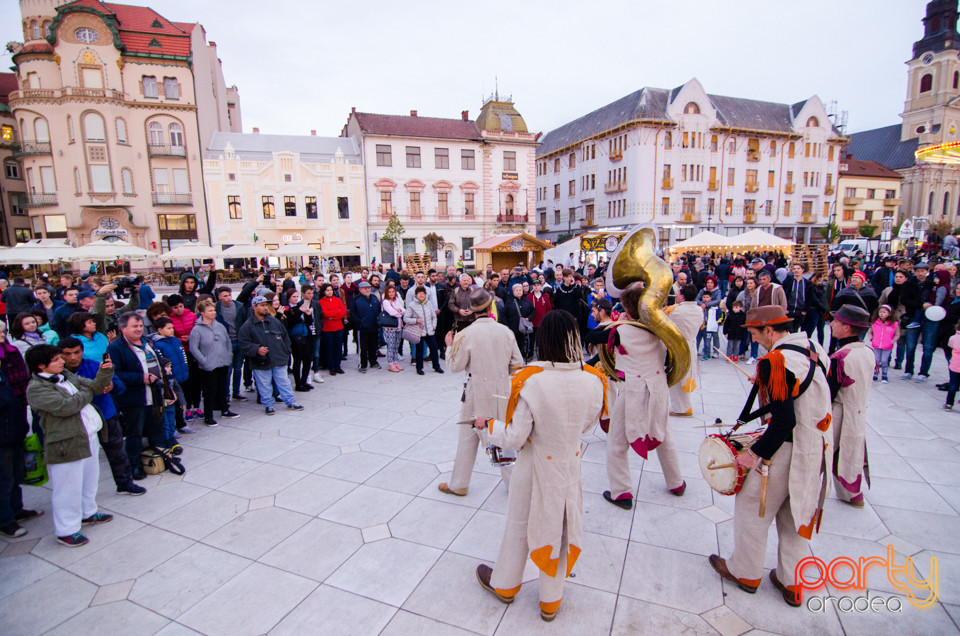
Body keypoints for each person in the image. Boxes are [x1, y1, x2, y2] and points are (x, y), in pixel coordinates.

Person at [473, 310, 606, 622]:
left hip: (534, 465)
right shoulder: (594, 381)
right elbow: (587, 425)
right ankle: (551, 600)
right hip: (569, 464)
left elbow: (513, 437)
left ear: (543, 339)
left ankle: (505, 585)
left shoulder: (531, 382)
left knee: (519, 524)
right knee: (562, 527)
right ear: (574, 338)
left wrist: (486, 425)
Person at [708, 305, 831, 607]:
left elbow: (784, 421)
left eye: (754, 332)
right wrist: (768, 384)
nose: (754, 338)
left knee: (753, 508)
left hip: (785, 448)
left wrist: (754, 454)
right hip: (813, 447)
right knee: (795, 514)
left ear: (769, 330)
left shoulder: (775, 361)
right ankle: (792, 582)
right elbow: (804, 392)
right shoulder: (812, 348)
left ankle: (745, 572)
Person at [605, 286, 686, 510]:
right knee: (663, 433)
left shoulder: (619, 330)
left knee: (617, 442)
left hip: (632, 390)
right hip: (658, 388)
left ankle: (621, 492)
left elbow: (593, 336)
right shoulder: (663, 329)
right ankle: (676, 482)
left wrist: (621, 321)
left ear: (628, 310)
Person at [25, 344, 114, 547]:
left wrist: (105, 371)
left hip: (87, 436)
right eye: (56, 359)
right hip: (66, 442)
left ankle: (88, 512)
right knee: (68, 487)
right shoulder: (37, 388)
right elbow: (68, 407)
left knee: (89, 480)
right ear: (41, 365)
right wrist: (85, 394)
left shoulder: (65, 375)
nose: (62, 362)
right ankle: (66, 530)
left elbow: (94, 386)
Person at [440, 289, 522, 495]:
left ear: (472, 310)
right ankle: (513, 486)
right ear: (490, 306)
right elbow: (518, 364)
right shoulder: (506, 331)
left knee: (468, 438)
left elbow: (455, 366)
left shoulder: (466, 334)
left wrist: (449, 346)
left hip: (475, 392)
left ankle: (459, 484)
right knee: (499, 438)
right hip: (501, 391)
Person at [59, 338, 146, 496]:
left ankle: (125, 483)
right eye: (67, 354)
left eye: (76, 352)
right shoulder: (57, 374)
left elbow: (119, 387)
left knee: (117, 452)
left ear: (82, 351)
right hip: (75, 421)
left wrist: (112, 386)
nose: (72, 357)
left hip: (105, 415)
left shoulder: (94, 366)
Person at [106, 312, 167, 479]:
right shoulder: (116, 348)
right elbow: (115, 373)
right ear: (123, 328)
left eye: (140, 326)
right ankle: (134, 466)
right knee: (134, 434)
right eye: (135, 326)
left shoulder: (147, 342)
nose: (139, 329)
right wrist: (140, 378)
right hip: (134, 399)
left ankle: (160, 457)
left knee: (156, 429)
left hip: (154, 395)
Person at [827, 306, 874, 508]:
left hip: (841, 411)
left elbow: (828, 393)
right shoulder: (867, 351)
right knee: (851, 451)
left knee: (823, 452)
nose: (831, 324)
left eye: (835, 321)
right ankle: (853, 495)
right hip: (858, 410)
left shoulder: (841, 357)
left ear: (846, 327)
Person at [238, 294, 304, 415]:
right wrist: (256, 349)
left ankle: (290, 401)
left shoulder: (274, 321)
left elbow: (285, 336)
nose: (265, 308)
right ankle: (268, 404)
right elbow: (243, 343)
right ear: (254, 307)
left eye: (266, 305)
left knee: (284, 382)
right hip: (261, 361)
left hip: (279, 358)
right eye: (262, 305)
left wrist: (286, 351)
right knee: (264, 384)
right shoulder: (248, 325)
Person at [189, 299, 238, 426]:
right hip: (208, 365)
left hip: (222, 362)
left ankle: (224, 409)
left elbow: (227, 341)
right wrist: (203, 361)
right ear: (202, 313)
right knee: (209, 391)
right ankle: (208, 415)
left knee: (222, 387)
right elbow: (193, 348)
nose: (213, 313)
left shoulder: (220, 326)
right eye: (210, 310)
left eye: (214, 310)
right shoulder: (197, 329)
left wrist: (228, 355)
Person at [216, 279, 258, 401]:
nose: (228, 298)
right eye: (225, 296)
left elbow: (245, 323)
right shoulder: (216, 308)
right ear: (219, 297)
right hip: (226, 343)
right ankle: (226, 394)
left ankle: (236, 392)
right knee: (228, 370)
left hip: (239, 341)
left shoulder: (238, 306)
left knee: (238, 368)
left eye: (229, 295)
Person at [667, 285, 703, 418]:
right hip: (691, 344)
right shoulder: (699, 310)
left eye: (678, 294)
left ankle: (682, 408)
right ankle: (684, 406)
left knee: (677, 376)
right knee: (685, 374)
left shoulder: (675, 311)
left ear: (682, 296)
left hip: (678, 345)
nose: (676, 296)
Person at [168, 294, 202, 421]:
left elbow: (198, 330)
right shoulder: (169, 319)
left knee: (196, 380)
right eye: (175, 308)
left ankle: (197, 406)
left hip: (194, 351)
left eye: (181, 306)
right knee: (185, 381)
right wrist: (180, 339)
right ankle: (188, 406)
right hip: (181, 353)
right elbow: (169, 335)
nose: (179, 310)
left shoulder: (191, 315)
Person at [405, 286, 443, 376]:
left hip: (429, 331)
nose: (421, 295)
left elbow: (434, 317)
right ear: (416, 295)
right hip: (419, 332)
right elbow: (406, 318)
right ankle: (419, 368)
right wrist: (415, 320)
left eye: (423, 294)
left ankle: (436, 366)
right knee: (419, 350)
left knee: (434, 349)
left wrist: (433, 326)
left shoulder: (428, 303)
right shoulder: (412, 305)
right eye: (419, 294)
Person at [351, 281, 382, 373]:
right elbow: (353, 313)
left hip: (374, 326)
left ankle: (373, 362)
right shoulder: (356, 299)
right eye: (365, 288)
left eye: (368, 288)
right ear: (360, 290)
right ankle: (362, 364)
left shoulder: (374, 298)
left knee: (374, 346)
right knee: (363, 347)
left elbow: (379, 310)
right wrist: (359, 323)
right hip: (363, 327)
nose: (368, 290)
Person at [318, 283, 347, 376]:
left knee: (338, 347)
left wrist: (333, 316)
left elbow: (343, 311)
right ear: (323, 292)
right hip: (328, 329)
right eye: (327, 290)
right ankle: (331, 367)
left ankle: (338, 366)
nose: (329, 292)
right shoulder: (321, 302)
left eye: (330, 290)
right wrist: (336, 312)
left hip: (338, 327)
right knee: (329, 348)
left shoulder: (337, 299)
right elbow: (325, 314)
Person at [502, 283, 534, 361]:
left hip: (523, 328)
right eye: (517, 290)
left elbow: (533, 311)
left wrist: (529, 318)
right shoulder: (509, 302)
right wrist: (506, 325)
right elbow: (504, 314)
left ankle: (521, 358)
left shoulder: (527, 301)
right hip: (512, 327)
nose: (519, 292)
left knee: (522, 343)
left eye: (520, 290)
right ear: (513, 292)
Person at [868, 305, 899, 383]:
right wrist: (872, 339)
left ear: (889, 313)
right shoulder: (875, 322)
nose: (882, 314)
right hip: (876, 344)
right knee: (876, 360)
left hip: (887, 346)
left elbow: (897, 334)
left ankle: (884, 375)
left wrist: (892, 341)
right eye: (880, 312)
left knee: (884, 360)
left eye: (884, 312)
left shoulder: (894, 324)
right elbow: (870, 332)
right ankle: (875, 374)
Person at [696, 276, 722, 360]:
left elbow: (717, 300)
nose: (709, 284)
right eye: (708, 282)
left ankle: (716, 351)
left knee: (715, 335)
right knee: (702, 336)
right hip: (704, 313)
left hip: (713, 313)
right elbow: (697, 299)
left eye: (711, 283)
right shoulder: (702, 290)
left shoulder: (717, 291)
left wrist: (707, 304)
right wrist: (702, 304)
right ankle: (703, 350)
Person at [381, 284, 405, 372]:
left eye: (393, 292)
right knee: (391, 346)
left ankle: (395, 361)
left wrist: (398, 310)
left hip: (398, 326)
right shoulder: (386, 302)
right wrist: (398, 311)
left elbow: (403, 310)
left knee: (396, 345)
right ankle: (390, 363)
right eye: (389, 292)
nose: (391, 293)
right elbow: (392, 313)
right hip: (390, 327)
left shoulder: (396, 301)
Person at [945, 320, 960, 411]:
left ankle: (949, 404)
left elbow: (950, 345)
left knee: (953, 385)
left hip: (954, 365)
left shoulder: (953, 337)